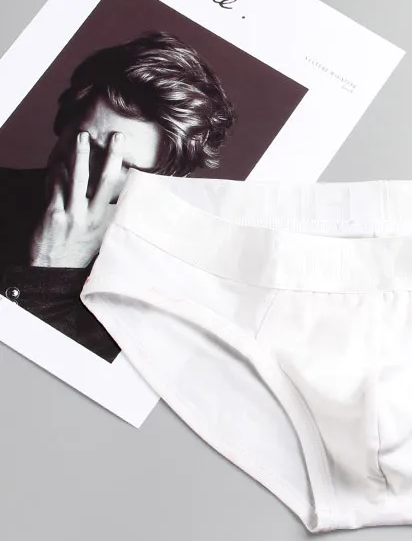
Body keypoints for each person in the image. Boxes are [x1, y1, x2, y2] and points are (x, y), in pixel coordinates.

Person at [0, 31, 236, 362]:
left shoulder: (164, 294)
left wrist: (49, 275)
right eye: (85, 142)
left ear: (164, 182)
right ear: (62, 120)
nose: (89, 173)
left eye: (123, 166)